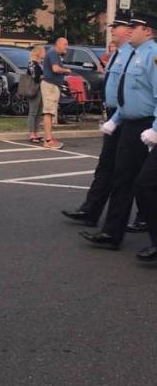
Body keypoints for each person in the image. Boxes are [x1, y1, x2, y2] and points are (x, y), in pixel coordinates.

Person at [80, 12, 157, 250]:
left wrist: (155, 129)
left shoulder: (153, 56)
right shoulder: (132, 53)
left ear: (148, 30)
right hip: (129, 124)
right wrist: (115, 119)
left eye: (135, 26)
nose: (130, 29)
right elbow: (129, 95)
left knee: (145, 183)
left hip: (146, 126)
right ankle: (112, 233)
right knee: (123, 179)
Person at [61, 15, 132, 227]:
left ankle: (137, 220)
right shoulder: (118, 54)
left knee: (127, 173)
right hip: (113, 115)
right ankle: (90, 211)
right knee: (106, 166)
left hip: (126, 117)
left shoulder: (132, 54)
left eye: (116, 27)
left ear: (128, 31)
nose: (112, 30)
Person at [40, 37, 71, 150]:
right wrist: (66, 70)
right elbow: (56, 69)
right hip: (50, 86)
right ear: (58, 44)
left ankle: (49, 137)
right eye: (65, 44)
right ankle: (48, 141)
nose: (66, 47)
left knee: (51, 112)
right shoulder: (53, 53)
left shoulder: (56, 55)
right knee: (48, 112)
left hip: (53, 86)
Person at [27, 45, 45, 144]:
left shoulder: (41, 63)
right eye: (43, 51)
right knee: (33, 111)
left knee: (39, 111)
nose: (44, 53)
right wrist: (44, 76)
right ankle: (31, 132)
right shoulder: (32, 63)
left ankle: (37, 131)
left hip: (41, 88)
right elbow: (35, 77)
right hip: (34, 89)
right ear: (38, 52)